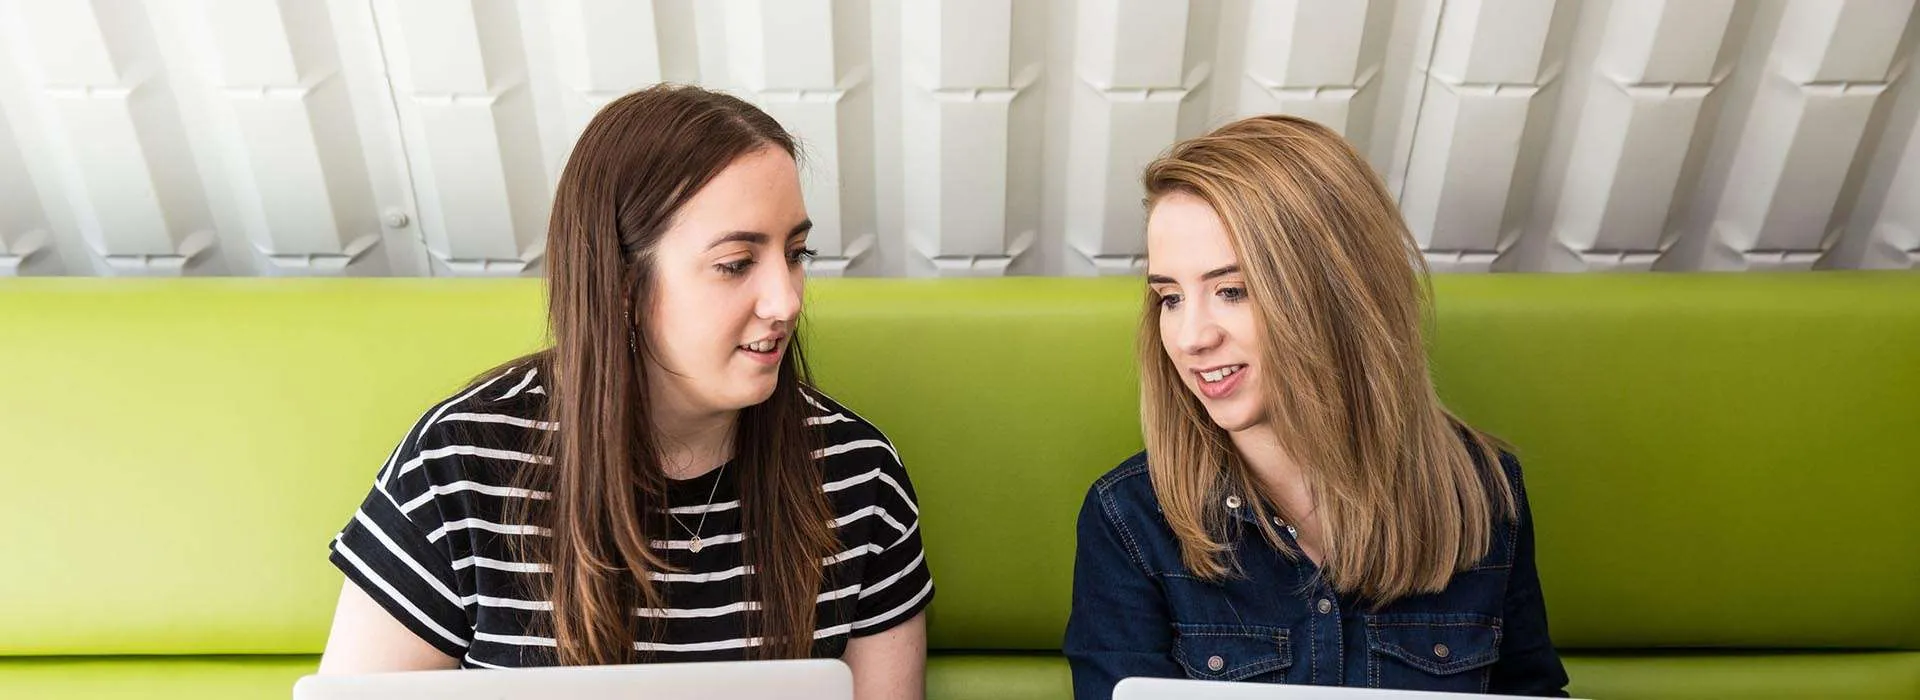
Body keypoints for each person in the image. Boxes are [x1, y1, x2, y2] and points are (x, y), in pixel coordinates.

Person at [317, 85, 932, 700]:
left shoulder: (858, 476)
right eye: (736, 263)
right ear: (622, 285)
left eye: (797, 253)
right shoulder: (460, 465)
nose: (787, 300)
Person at [1064, 115, 1568, 697]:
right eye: (1170, 298)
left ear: (1336, 291)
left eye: (1232, 291)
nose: (1189, 337)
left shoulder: (1482, 494)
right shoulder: (1129, 518)